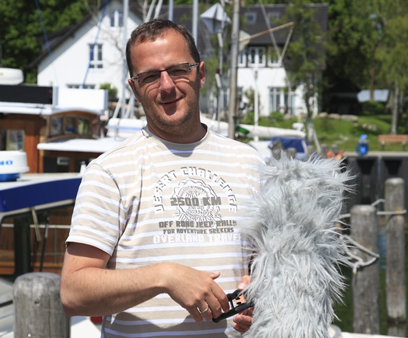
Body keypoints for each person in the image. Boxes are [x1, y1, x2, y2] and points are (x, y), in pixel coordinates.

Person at [60, 19, 264, 338]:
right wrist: (165, 277)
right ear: (134, 88)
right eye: (151, 76)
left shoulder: (249, 162)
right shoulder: (110, 170)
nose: (166, 85)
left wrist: (263, 293)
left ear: (201, 73)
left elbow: (268, 264)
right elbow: (73, 292)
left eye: (178, 70)